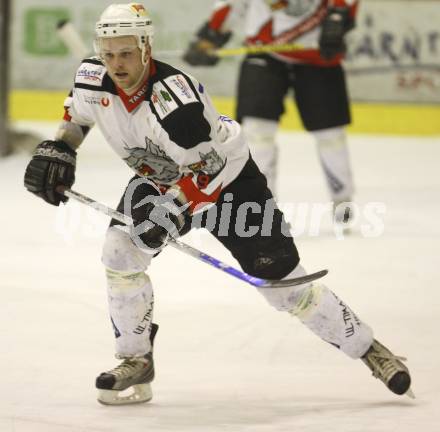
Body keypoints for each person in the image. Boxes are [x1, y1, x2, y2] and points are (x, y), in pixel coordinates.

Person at [24, 2, 412, 406]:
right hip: (161, 177)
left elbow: (208, 171)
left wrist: (173, 208)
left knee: (284, 288)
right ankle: (135, 359)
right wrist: (60, 148)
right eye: (109, 54)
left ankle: (369, 348)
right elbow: (77, 117)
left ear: (145, 48)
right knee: (120, 251)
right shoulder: (92, 76)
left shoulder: (177, 105)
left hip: (229, 184)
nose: (117, 65)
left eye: (126, 53)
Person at [184, 0, 358, 223]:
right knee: (257, 131)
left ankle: (342, 197)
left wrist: (339, 18)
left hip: (318, 53)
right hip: (264, 51)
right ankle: (262, 203)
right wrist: (211, 34)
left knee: (330, 134)